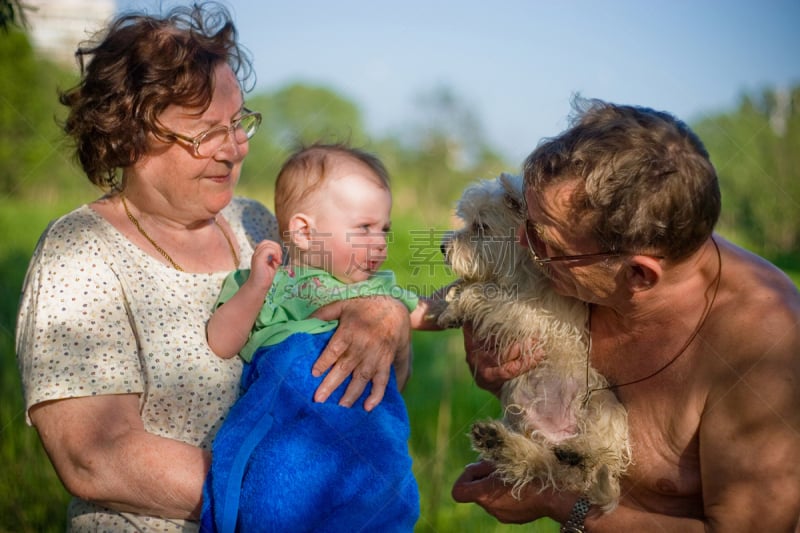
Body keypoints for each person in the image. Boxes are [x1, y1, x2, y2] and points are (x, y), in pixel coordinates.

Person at [14, 5, 411, 531]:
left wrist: (387, 316)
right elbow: (95, 458)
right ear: (130, 136)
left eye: (238, 123)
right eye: (206, 133)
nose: (235, 149)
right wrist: (284, 503)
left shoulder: (257, 223)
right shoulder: (79, 256)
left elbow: (362, 363)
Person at [451, 98, 800, 531]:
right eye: (527, 222)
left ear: (637, 274)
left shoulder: (762, 348)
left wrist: (560, 503)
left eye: (545, 242)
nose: (523, 246)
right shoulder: (592, 269)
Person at [201, 143, 442, 531]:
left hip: (361, 425)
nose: (379, 242)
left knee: (384, 494)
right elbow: (222, 340)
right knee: (277, 497)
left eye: (384, 229)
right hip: (290, 419)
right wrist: (257, 286)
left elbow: (429, 313)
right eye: (364, 228)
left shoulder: (377, 291)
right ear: (304, 231)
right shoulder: (273, 282)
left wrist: (478, 302)